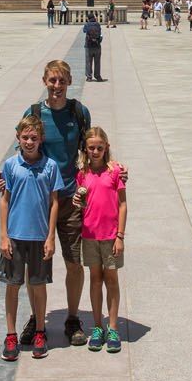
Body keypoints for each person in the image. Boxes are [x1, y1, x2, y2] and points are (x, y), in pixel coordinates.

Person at [0, 59, 122, 349]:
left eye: (61, 81)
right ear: (44, 81)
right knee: (33, 266)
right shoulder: (35, 112)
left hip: (73, 198)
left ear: (69, 81)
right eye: (52, 80)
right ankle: (37, 319)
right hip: (41, 201)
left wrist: (113, 167)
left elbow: (93, 147)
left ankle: (73, 317)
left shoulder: (78, 112)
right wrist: (5, 178)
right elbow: (24, 149)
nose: (56, 86)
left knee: (74, 262)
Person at [0, 114, 61, 361]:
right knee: (13, 285)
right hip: (15, 235)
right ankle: (11, 334)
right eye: (25, 137)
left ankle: (39, 331)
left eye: (34, 137)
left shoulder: (50, 166)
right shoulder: (11, 165)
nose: (29, 142)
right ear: (18, 138)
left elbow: (54, 202)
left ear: (41, 139)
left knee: (38, 285)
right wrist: (3, 235)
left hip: (39, 235)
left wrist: (51, 236)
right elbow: (4, 201)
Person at [75, 127, 127, 353]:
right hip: (90, 235)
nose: (95, 151)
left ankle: (113, 327)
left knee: (111, 279)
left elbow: (123, 204)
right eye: (91, 148)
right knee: (95, 279)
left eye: (99, 147)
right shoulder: (82, 172)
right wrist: (79, 201)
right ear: (85, 150)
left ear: (106, 147)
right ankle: (97, 326)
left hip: (110, 236)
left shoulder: (114, 171)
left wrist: (120, 236)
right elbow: (82, 202)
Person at [82, 13, 104, 82]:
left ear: (88, 18)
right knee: (97, 62)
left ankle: (89, 76)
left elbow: (84, 31)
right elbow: (100, 32)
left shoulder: (87, 24)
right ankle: (97, 76)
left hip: (88, 46)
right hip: (97, 45)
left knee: (88, 62)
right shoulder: (97, 24)